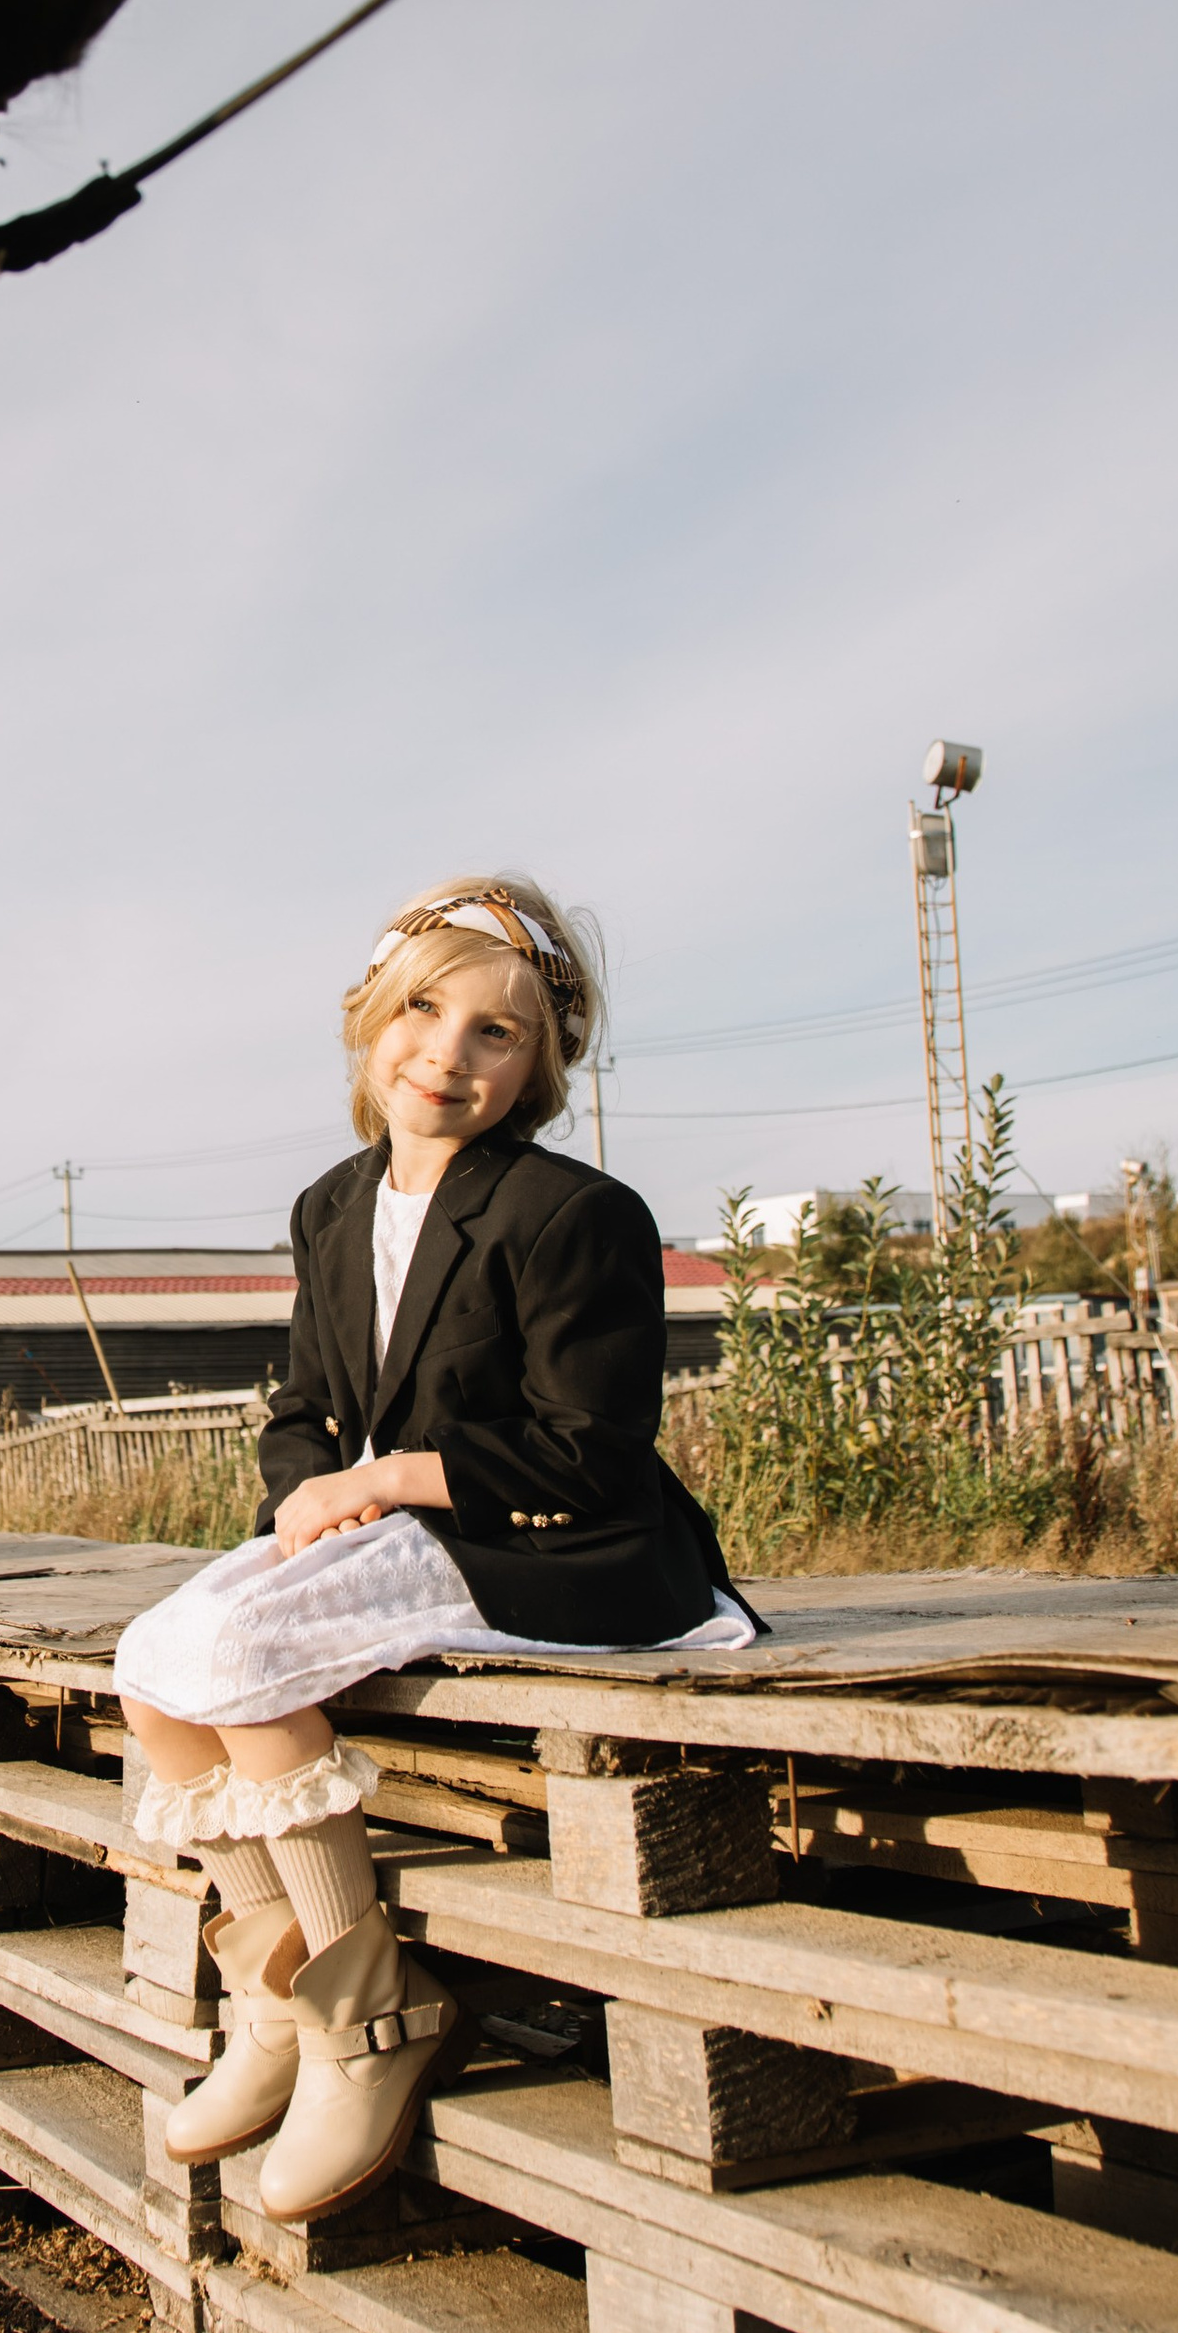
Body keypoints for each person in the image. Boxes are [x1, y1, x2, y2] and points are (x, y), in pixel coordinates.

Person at [113, 875, 761, 2227]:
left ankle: (371, 2019)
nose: (448, 1056)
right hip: (389, 1530)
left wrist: (395, 1479)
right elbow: (302, 1409)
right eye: (423, 1012)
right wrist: (311, 1495)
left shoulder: (574, 1214)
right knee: (148, 1667)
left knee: (244, 1652)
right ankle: (278, 2009)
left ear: (538, 1066)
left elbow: (595, 1451)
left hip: (563, 1545)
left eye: (495, 1034)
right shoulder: (331, 1209)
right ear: (370, 1019)